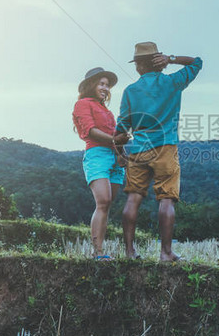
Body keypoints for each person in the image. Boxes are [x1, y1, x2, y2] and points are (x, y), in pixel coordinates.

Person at [115, 42, 203, 261]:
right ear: (159, 61)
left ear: (138, 66)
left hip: (138, 149)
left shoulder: (130, 91)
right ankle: (166, 253)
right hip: (166, 146)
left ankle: (129, 251)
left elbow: (120, 129)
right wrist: (171, 59)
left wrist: (120, 152)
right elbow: (198, 62)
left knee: (133, 198)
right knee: (166, 199)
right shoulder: (172, 82)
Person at [72, 67, 129, 260]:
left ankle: (100, 250)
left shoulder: (108, 112)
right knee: (103, 200)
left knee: (107, 204)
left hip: (113, 158)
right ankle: (97, 253)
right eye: (101, 84)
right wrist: (116, 140)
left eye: (107, 85)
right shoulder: (82, 104)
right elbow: (90, 131)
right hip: (96, 155)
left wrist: (122, 154)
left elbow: (115, 138)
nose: (105, 88)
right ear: (91, 85)